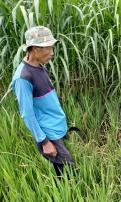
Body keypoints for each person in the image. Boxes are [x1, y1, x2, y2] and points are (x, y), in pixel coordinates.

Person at [11, 26, 75, 177]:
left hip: (56, 124)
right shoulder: (23, 77)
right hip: (48, 131)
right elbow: (27, 114)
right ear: (33, 48)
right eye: (47, 47)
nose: (52, 52)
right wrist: (45, 142)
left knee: (63, 166)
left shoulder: (39, 66)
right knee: (69, 171)